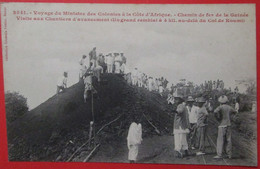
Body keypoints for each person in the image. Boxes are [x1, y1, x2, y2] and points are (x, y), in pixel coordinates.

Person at [173, 92, 190, 158]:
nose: (175, 100)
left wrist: (173, 110)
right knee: (183, 139)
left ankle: (179, 152)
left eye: (177, 99)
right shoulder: (183, 106)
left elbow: (179, 111)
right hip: (182, 125)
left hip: (179, 125)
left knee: (178, 139)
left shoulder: (180, 106)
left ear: (180, 100)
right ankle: (186, 151)